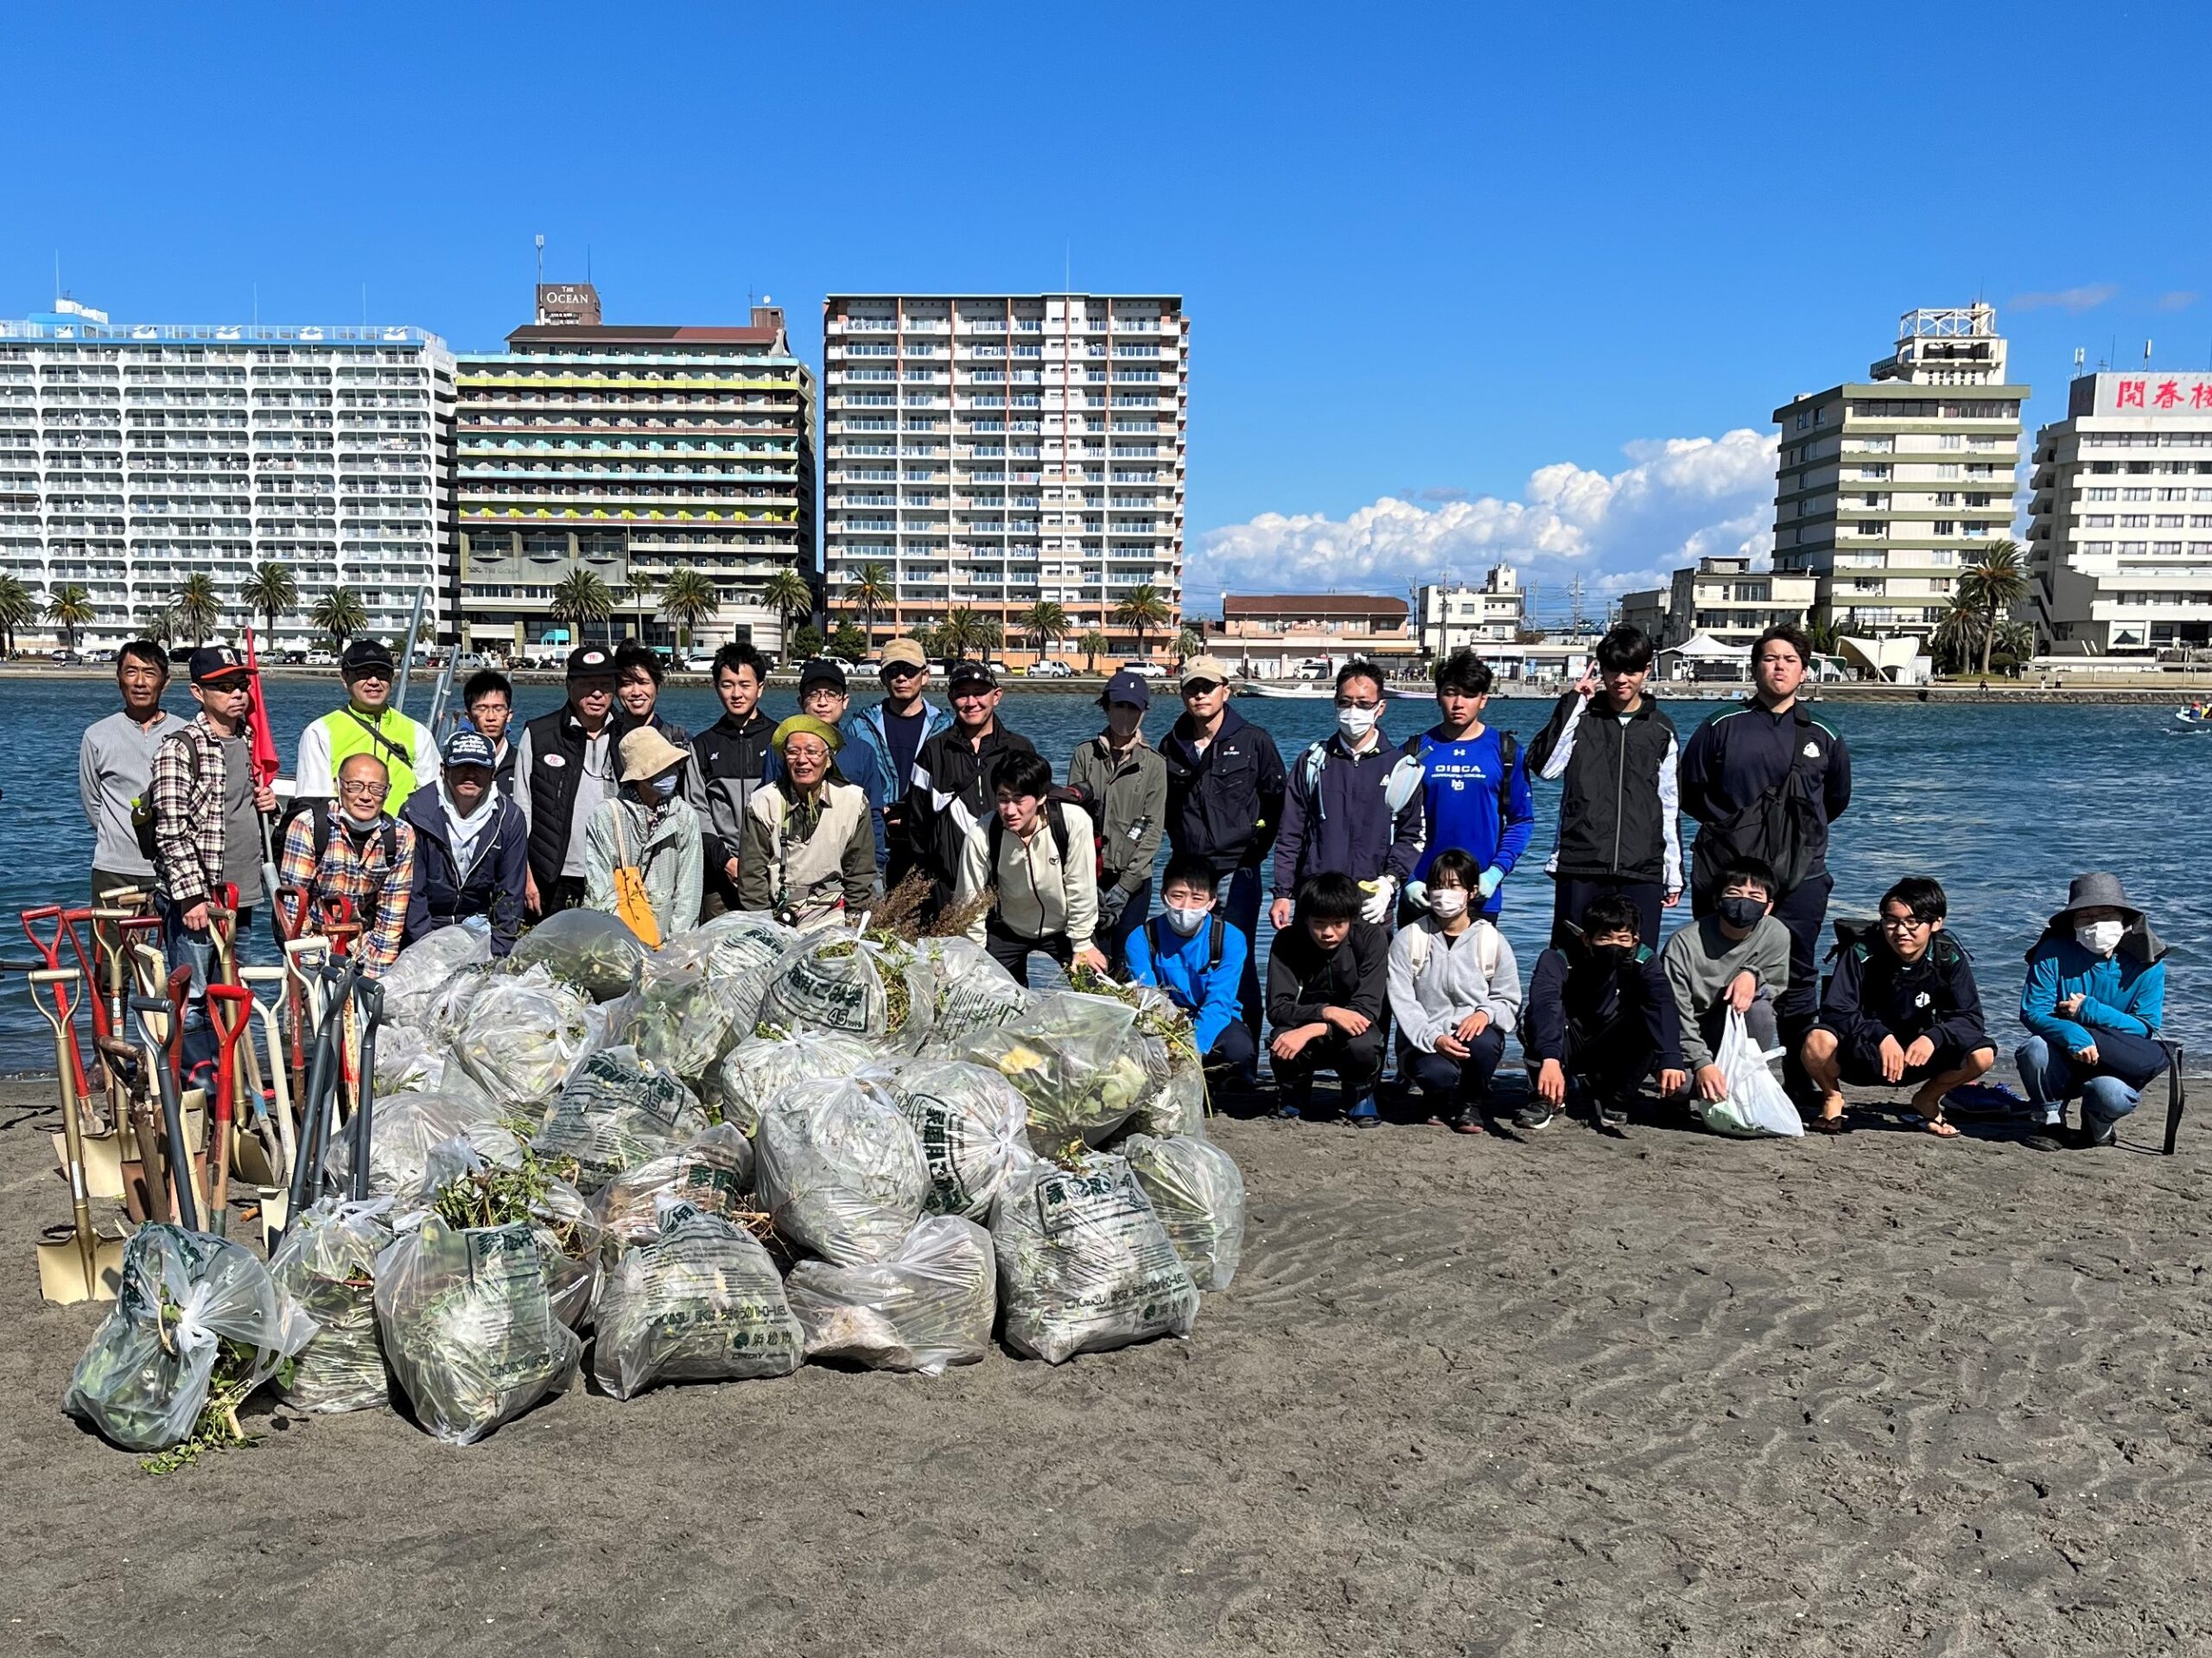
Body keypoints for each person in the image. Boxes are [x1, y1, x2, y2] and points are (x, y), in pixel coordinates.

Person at [1678, 623, 1853, 1081]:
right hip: (1728, 871)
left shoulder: (1824, 734)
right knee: (1712, 968)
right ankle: (1710, 1070)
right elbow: (1691, 791)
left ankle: (1800, 1076)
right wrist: (1739, 829)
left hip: (1802, 874)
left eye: (1790, 660)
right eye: (1770, 658)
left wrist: (1794, 840)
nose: (1779, 667)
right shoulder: (1721, 725)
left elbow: (1834, 800)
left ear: (1804, 670)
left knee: (1797, 973)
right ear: (1755, 667)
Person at [1526, 624, 1681, 950]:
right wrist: (1573, 702)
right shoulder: (1582, 718)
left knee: (1636, 964)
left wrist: (1674, 873)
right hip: (1581, 861)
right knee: (1572, 962)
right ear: (1601, 669)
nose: (1621, 679)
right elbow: (1545, 768)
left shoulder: (1661, 729)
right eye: (1613, 669)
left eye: (1631, 670)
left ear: (1647, 670)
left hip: (1642, 867)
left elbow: (1669, 803)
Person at [1802, 876, 1993, 1137]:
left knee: (1982, 1053)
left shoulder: (1948, 956)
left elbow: (1971, 1019)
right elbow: (1836, 1010)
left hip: (1920, 1055)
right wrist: (1880, 1036)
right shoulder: (1862, 951)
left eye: (1912, 922)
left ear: (1936, 923)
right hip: (1865, 1054)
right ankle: (1832, 1096)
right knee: (1816, 1039)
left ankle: (1927, 1098)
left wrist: (1933, 1037)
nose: (1900, 931)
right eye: (1891, 921)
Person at [148, 645, 279, 1019]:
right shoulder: (179, 748)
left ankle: (233, 1075)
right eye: (223, 686)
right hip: (201, 896)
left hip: (244, 893)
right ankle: (197, 1075)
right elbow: (171, 830)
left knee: (236, 994)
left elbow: (247, 811)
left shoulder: (251, 741)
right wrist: (191, 897)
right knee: (193, 999)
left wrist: (271, 804)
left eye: (241, 684)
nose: (237, 693)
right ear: (197, 693)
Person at [1161, 654, 1287, 1044]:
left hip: (1239, 868)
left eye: (1207, 687)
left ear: (1225, 691)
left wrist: (1256, 851)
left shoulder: (1255, 740)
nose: (1199, 695)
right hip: (1189, 870)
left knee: (1238, 956)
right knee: (1187, 957)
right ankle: (1194, 1042)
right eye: (1192, 688)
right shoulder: (1172, 743)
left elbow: (1277, 801)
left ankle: (1244, 1049)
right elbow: (1164, 806)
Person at [2016, 873, 2170, 1151]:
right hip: (2062, 1052)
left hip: (2115, 1059)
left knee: (2111, 1094)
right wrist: (2074, 1033)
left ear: (2123, 919)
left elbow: (2145, 1028)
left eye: (2105, 914)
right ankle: (2051, 1119)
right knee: (2034, 1048)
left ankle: (2098, 1126)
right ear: (2072, 923)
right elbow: (2032, 1011)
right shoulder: (2052, 952)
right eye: (2084, 917)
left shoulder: (2148, 965)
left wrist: (2090, 1011)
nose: (2095, 924)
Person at [1269, 658, 1425, 935]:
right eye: (1345, 702)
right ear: (1335, 704)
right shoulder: (1312, 762)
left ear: (1380, 708)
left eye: (1363, 703)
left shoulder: (1402, 768)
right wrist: (1282, 893)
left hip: (1373, 904)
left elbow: (1411, 835)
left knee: (1372, 977)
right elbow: (1290, 833)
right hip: (1317, 901)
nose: (1353, 711)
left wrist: (1389, 883)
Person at [1520, 893, 1687, 1130]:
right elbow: (1544, 1004)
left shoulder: (1645, 961)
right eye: (1605, 938)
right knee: (1536, 1016)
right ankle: (1544, 1097)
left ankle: (1615, 1097)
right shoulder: (1557, 958)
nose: (1614, 946)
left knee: (1649, 1020)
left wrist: (1671, 1056)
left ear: (1635, 940)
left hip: (1608, 1041)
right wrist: (1550, 1058)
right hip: (1567, 1037)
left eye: (1623, 939)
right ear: (1587, 938)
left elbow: (1662, 1003)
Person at [1387, 848, 1522, 1134]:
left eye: (1453, 886)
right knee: (1438, 1075)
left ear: (1472, 892)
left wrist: (1485, 1014)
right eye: (1437, 885)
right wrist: (1433, 1037)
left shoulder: (1491, 940)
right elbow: (1403, 1001)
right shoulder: (1409, 938)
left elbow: (1509, 1001)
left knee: (1485, 1042)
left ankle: (1471, 1102)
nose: (1443, 894)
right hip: (1423, 1038)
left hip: (1471, 1034)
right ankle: (1435, 1097)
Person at [1402, 651, 1535, 924]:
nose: (1459, 703)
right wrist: (1408, 879)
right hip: (1423, 893)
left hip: (1479, 896)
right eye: (1451, 693)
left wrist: (1495, 873)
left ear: (1483, 700)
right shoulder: (1415, 750)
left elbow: (1521, 820)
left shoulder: (1506, 751)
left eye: (1469, 694)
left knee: (1476, 967)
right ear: (1438, 695)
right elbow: (1394, 822)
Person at [957, 750, 1104, 984]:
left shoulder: (1073, 821)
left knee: (1097, 991)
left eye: (1019, 799)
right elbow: (970, 899)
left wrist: (1082, 942)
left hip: (1064, 927)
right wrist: (975, 953)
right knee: (986, 996)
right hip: (1008, 928)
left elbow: (1081, 886)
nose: (1010, 810)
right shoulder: (982, 833)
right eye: (1003, 799)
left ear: (1041, 797)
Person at [1660, 856, 1792, 1109]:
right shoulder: (1683, 943)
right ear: (1717, 899)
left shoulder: (1776, 934)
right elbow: (1676, 1012)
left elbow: (1776, 983)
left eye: (1755, 896)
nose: (1744, 902)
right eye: (1734, 893)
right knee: (1679, 1086)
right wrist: (1702, 1063)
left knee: (1761, 1010)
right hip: (1690, 1035)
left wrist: (1752, 976)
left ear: (1768, 906)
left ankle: (1744, 1081)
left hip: (1731, 1029)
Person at [908, 660, 1036, 913]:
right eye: (962, 694)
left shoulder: (1020, 749)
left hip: (1008, 885)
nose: (971, 702)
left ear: (996, 696)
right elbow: (917, 823)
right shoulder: (934, 750)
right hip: (947, 886)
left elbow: (1037, 817)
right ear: (951, 698)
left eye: (979, 693)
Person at [1266, 871, 1391, 1127]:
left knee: (1364, 1044)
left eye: (1339, 924)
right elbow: (1277, 1008)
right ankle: (1293, 1092)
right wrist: (1328, 1011)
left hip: (1352, 1033)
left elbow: (1367, 1010)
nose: (1328, 933)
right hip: (1306, 1027)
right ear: (1305, 919)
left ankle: (1360, 1094)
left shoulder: (1372, 938)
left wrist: (1316, 1027)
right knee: (1281, 1035)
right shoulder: (1287, 941)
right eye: (1319, 923)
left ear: (1352, 919)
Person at [276, 752, 418, 978]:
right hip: (311, 946)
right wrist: (310, 967)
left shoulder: (401, 835)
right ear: (338, 786)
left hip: (365, 947)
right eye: (355, 786)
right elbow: (295, 906)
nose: (365, 796)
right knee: (312, 1009)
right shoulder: (309, 826)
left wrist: (375, 977)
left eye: (376, 788)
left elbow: (392, 915)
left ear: (387, 792)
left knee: (367, 1008)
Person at [1125, 854, 1257, 1083]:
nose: (1186, 906)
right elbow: (1147, 998)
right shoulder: (1141, 938)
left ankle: (1213, 1082)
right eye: (1178, 895)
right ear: (1163, 895)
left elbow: (1219, 1001)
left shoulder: (1230, 938)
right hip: (1164, 1019)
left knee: (1239, 1050)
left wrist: (1193, 1047)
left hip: (1214, 1016)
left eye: (1197, 898)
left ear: (1212, 901)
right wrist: (1169, 1043)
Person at [1069, 670, 1168, 973]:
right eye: (1119, 705)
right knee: (1088, 962)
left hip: (1134, 880)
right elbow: (1072, 820)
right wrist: (1087, 880)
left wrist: (1124, 887)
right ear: (1107, 706)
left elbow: (1152, 830)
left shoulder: (1154, 764)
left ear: (1144, 712)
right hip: (1090, 875)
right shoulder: (1085, 755)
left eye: (1133, 708)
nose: (1125, 714)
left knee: (1127, 963)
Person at [399, 729, 530, 958]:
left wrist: (497, 956)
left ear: (493, 772)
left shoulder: (510, 819)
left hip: (479, 930)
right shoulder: (415, 813)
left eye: (479, 768)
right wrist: (426, 951)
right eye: (461, 767)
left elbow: (510, 895)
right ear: (444, 770)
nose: (470, 775)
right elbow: (413, 894)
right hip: (423, 935)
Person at [79, 638, 186, 919]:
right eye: (131, 672)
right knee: (114, 960)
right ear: (119, 679)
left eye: (149, 673)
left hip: (175, 869)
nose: (140, 682)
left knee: (178, 960)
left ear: (165, 682)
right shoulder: (97, 735)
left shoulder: (186, 734)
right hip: (114, 870)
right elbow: (93, 803)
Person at [739, 714, 879, 926]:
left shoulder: (854, 802)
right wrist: (763, 924)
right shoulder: (763, 803)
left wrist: (851, 923)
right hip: (778, 912)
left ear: (829, 759)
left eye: (812, 752)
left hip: (835, 910)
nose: (802, 760)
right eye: (793, 752)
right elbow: (752, 875)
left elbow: (860, 872)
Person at [514, 645, 620, 918]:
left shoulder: (629, 735)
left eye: (604, 685)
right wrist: (526, 876)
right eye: (587, 684)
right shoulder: (539, 735)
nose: (596, 693)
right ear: (569, 686)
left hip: (614, 874)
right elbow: (522, 810)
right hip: (553, 874)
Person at [583, 726, 703, 942]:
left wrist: (678, 946)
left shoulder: (685, 816)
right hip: (617, 939)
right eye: (660, 768)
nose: (670, 773)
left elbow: (689, 892)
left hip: (668, 941)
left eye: (672, 766)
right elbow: (600, 890)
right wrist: (623, 945)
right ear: (639, 776)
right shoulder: (606, 816)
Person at [294, 638, 438, 813]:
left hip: (402, 836)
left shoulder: (417, 733)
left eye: (382, 674)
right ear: (345, 678)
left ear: (392, 678)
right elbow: (314, 801)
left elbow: (431, 796)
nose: (374, 681)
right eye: (363, 673)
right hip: (342, 837)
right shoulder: (320, 732)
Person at [691, 641, 782, 917]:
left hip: (772, 871)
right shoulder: (703, 745)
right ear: (716, 687)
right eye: (727, 685)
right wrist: (725, 860)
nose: (737, 693)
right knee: (716, 953)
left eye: (745, 684)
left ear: (761, 688)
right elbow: (697, 810)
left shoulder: (780, 739)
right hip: (720, 875)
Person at [856, 638, 950, 890]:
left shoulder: (945, 728)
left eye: (909, 671)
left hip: (927, 839)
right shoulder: (860, 725)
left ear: (925, 676)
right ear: (882, 677)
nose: (901, 678)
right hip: (877, 838)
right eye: (893, 671)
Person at [795, 657, 891, 868]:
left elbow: (873, 812)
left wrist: (876, 864)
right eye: (814, 694)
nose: (822, 702)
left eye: (831, 694)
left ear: (844, 701)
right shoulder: (784, 751)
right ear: (801, 701)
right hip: (797, 863)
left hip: (851, 863)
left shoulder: (862, 752)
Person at [613, 640, 690, 746]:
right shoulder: (605, 740)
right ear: (616, 690)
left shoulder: (679, 741)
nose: (636, 692)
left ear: (658, 687)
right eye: (627, 684)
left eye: (643, 683)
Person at [463, 668, 518, 794]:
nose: (491, 717)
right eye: (482, 709)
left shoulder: (523, 764)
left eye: (498, 708)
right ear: (469, 716)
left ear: (509, 715)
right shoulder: (458, 767)